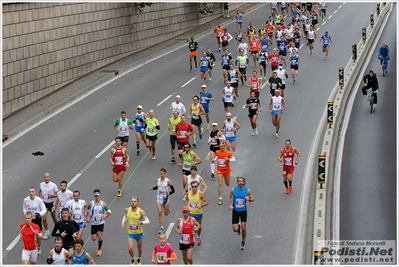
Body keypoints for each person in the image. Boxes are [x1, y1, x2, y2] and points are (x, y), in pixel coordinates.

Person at [227, 176, 255, 250]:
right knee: (235, 229)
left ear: (244, 182)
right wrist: (230, 205)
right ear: (237, 182)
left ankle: (243, 241)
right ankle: (238, 227)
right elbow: (229, 196)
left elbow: (252, 198)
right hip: (235, 211)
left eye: (241, 181)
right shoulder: (233, 190)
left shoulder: (247, 190)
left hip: (243, 211)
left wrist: (249, 199)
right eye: (239, 181)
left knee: (244, 228)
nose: (240, 183)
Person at [121, 196, 150, 265]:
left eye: (135, 201)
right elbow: (125, 216)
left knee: (139, 248)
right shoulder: (127, 210)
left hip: (139, 232)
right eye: (132, 201)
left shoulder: (141, 211)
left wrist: (142, 222)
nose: (133, 203)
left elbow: (148, 221)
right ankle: (133, 258)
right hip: (130, 232)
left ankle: (139, 258)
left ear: (137, 202)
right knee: (130, 249)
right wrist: (123, 222)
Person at [149, 168, 175, 234]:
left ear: (165, 174)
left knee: (166, 214)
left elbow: (173, 190)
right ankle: (162, 228)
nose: (162, 175)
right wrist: (152, 188)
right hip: (159, 198)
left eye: (163, 174)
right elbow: (158, 187)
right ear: (159, 173)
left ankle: (168, 210)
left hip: (166, 199)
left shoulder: (168, 181)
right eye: (161, 173)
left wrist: (167, 194)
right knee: (160, 212)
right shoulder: (157, 180)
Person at [86, 189, 111, 257]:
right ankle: (97, 233)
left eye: (97, 196)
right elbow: (86, 210)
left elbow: (109, 211)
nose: (96, 197)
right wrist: (87, 217)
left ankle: (99, 249)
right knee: (93, 239)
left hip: (101, 222)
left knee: (100, 237)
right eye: (95, 196)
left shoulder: (103, 204)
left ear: (100, 196)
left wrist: (106, 215)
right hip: (93, 223)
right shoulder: (91, 203)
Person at [23, 187, 46, 256]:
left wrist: (39, 214)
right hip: (29, 219)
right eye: (30, 192)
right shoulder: (26, 200)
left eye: (32, 192)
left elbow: (44, 209)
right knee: (29, 233)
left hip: (37, 219)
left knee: (38, 235)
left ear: (35, 192)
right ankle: (30, 247)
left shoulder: (38, 200)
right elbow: (24, 208)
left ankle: (39, 247)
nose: (31, 193)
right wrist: (26, 214)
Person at [185, 180, 209, 246]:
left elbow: (207, 202)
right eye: (193, 187)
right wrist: (187, 207)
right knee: (191, 226)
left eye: (195, 186)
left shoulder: (200, 194)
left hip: (198, 213)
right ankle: (191, 239)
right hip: (191, 213)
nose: (194, 188)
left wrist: (201, 205)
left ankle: (199, 237)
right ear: (191, 187)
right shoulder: (188, 193)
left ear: (197, 187)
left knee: (198, 226)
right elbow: (187, 200)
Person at [39, 173, 59, 240]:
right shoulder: (41, 184)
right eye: (45, 177)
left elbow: (57, 194)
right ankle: (47, 232)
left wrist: (52, 196)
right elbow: (40, 191)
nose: (46, 178)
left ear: (50, 178)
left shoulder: (53, 185)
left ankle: (57, 228)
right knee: (44, 218)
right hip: (44, 203)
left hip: (52, 203)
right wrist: (40, 198)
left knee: (53, 217)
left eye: (47, 177)